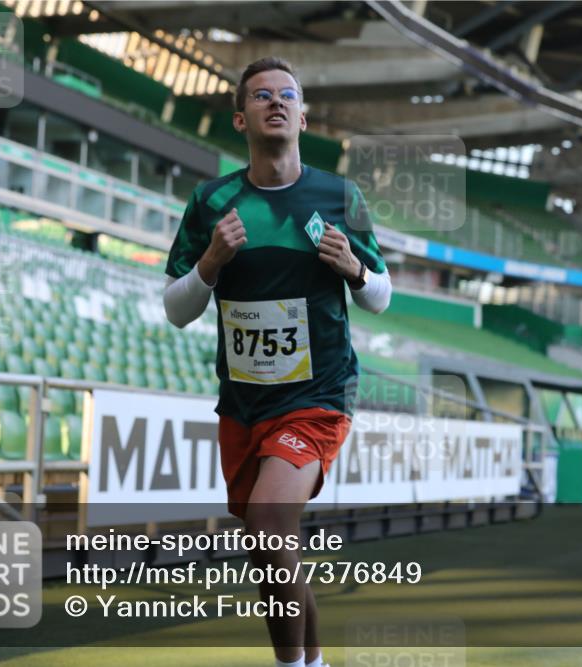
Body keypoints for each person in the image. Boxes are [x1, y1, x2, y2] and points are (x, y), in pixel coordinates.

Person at [162, 57, 392, 667]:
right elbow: (176, 310)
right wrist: (210, 262)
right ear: (241, 118)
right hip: (243, 404)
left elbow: (381, 296)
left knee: (267, 526)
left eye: (287, 94)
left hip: (317, 396)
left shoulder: (340, 196)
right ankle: (310, 661)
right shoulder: (211, 201)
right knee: (268, 548)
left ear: (303, 117)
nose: (276, 102)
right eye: (262, 95)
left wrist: (354, 269)